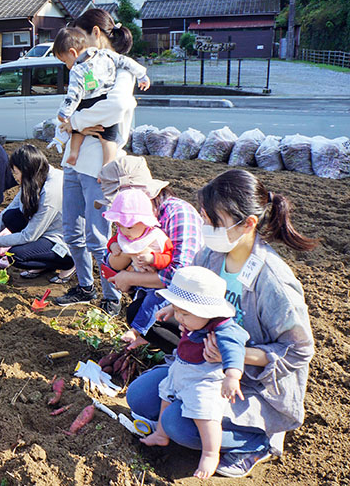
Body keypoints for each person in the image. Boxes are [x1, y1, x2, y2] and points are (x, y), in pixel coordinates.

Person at [127, 169, 317, 478]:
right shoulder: (211, 254)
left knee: (177, 423)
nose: (206, 228)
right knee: (139, 396)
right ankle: (211, 426)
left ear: (248, 223)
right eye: (204, 218)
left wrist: (238, 357)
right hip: (204, 368)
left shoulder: (274, 281)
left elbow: (299, 352)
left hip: (250, 382)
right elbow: (192, 297)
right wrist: (172, 311)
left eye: (214, 222)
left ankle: (258, 441)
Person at [55, 8, 140, 312]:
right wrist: (73, 124)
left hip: (99, 166)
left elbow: (115, 107)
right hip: (74, 162)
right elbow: (64, 115)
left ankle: (111, 296)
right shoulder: (85, 67)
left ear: (96, 34)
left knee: (98, 236)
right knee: (72, 233)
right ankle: (84, 285)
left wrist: (75, 122)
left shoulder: (121, 69)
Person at [139, 266, 249, 479]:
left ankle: (210, 453)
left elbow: (235, 350)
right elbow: (185, 310)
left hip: (204, 378)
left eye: (184, 313)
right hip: (181, 367)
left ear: (208, 312)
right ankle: (161, 434)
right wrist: (173, 310)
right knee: (165, 395)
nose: (179, 318)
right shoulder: (194, 317)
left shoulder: (225, 328)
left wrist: (232, 376)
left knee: (205, 414)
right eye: (178, 310)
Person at [96, 156, 203, 350]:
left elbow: (180, 274)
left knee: (143, 314)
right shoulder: (131, 225)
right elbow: (110, 264)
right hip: (156, 289)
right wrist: (128, 252)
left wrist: (130, 276)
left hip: (192, 300)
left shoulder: (177, 214)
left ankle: (192, 354)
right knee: (138, 311)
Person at [0, 144, 75, 281]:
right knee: (11, 217)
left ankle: (68, 263)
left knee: (16, 256)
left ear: (27, 170)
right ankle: (46, 263)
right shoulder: (35, 177)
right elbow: (9, 210)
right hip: (44, 230)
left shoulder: (51, 192)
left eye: (16, 172)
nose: (15, 177)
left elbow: (29, 236)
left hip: (62, 239)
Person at [52, 26, 150, 167]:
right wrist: (142, 75)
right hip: (105, 99)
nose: (67, 66)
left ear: (73, 53)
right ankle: (107, 165)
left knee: (76, 132)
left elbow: (73, 95)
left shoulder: (77, 70)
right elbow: (126, 61)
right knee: (108, 139)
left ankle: (73, 153)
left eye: (64, 61)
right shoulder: (106, 54)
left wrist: (64, 113)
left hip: (87, 103)